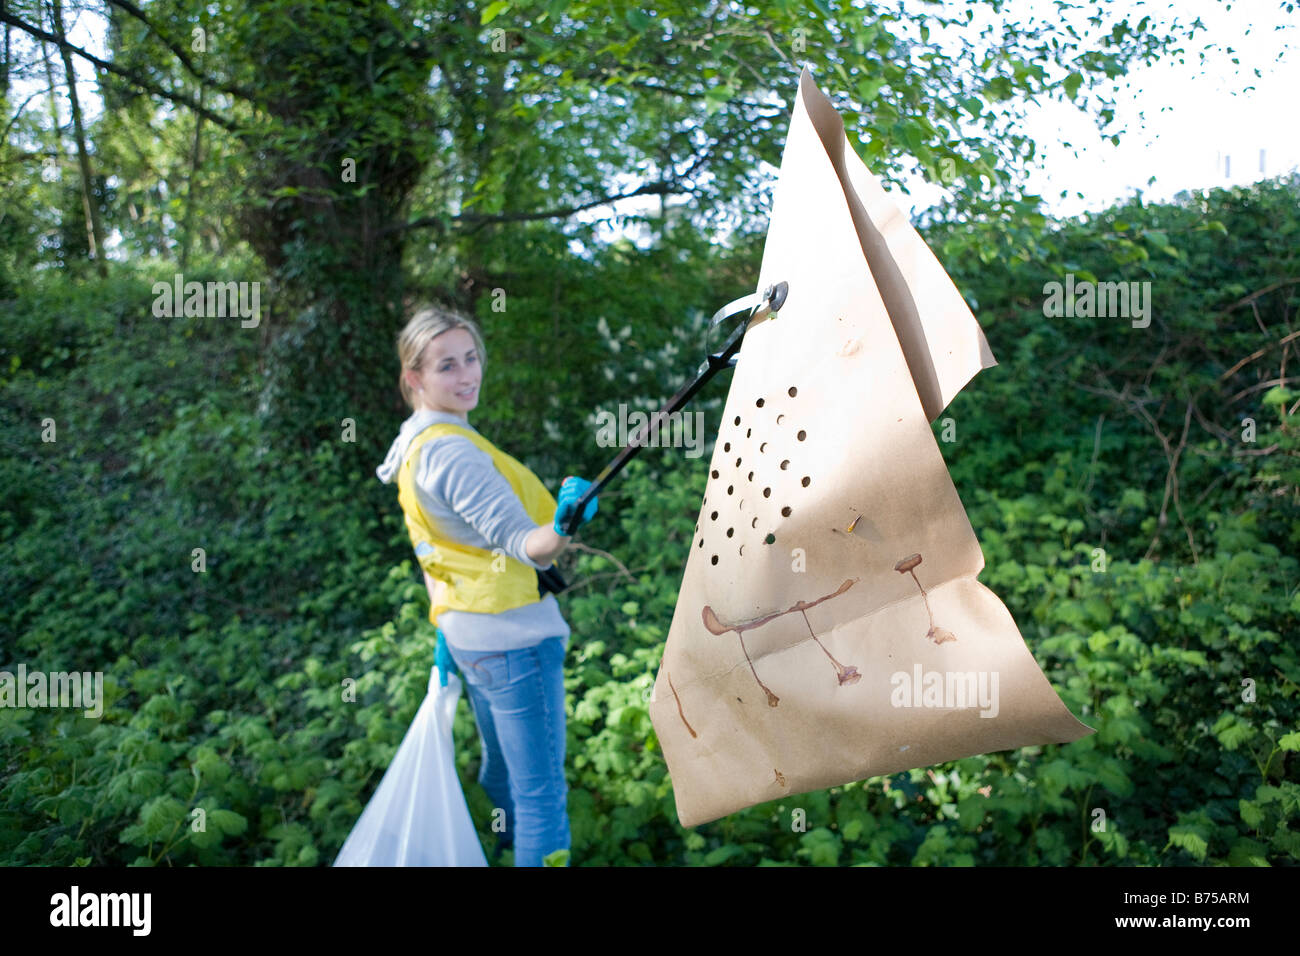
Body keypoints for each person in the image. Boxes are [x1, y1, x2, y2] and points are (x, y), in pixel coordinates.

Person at [375, 305, 598, 867]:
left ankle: (501, 845)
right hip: (514, 639)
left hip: (471, 636)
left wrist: (443, 624)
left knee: (501, 766)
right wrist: (566, 521)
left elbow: (431, 555)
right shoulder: (452, 452)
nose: (467, 374)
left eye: (471, 357)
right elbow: (526, 544)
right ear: (414, 378)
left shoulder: (417, 443)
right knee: (542, 795)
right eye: (447, 365)